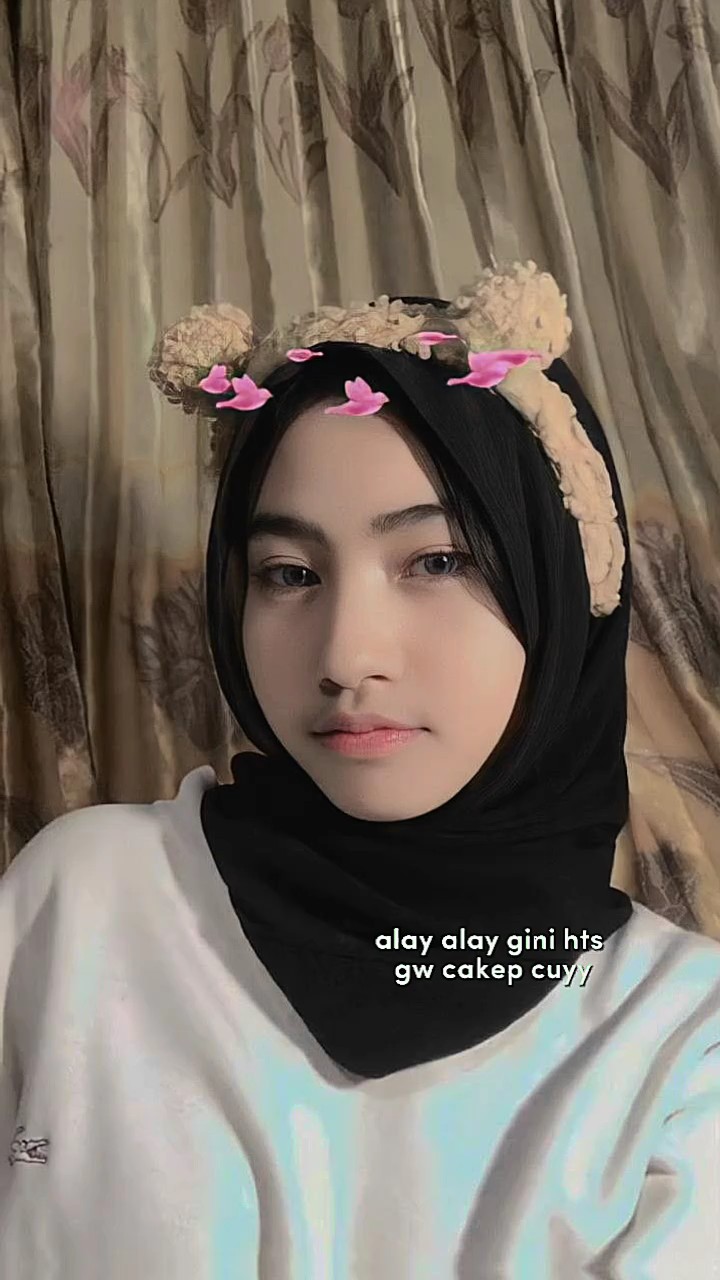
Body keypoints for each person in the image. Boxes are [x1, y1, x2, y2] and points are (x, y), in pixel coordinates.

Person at [1, 262, 718, 1277]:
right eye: (289, 574)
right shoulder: (83, 902)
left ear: (562, 582)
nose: (345, 656)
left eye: (437, 561)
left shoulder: (681, 1046)